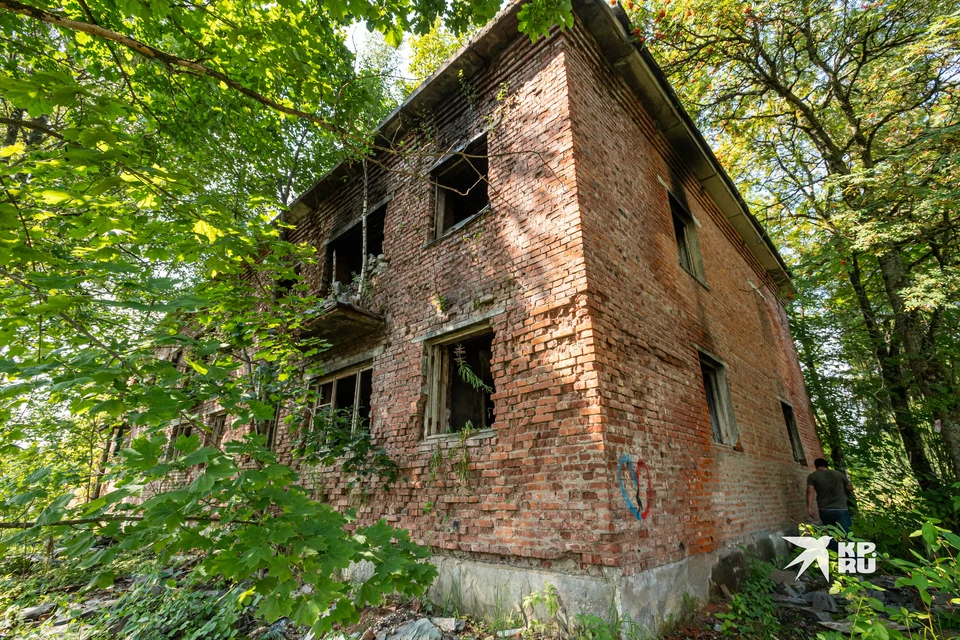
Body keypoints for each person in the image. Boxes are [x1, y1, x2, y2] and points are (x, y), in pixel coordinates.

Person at [807, 458, 853, 536]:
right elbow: (850, 488)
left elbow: (810, 491)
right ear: (827, 465)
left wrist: (809, 508)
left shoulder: (812, 476)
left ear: (816, 466)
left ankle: (834, 548)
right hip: (841, 508)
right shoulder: (838, 474)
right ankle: (848, 547)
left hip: (824, 509)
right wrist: (848, 479)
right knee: (845, 533)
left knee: (830, 533)